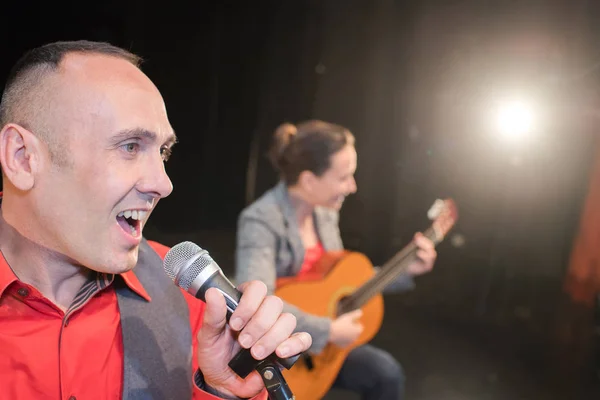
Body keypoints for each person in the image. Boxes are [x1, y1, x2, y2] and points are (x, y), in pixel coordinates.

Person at [0, 41, 311, 400]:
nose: (164, 184)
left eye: (163, 151)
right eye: (130, 146)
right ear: (23, 158)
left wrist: (222, 391)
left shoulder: (192, 303)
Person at [235, 120, 438, 399]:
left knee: (386, 374)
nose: (352, 187)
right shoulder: (260, 220)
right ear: (308, 180)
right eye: (344, 177)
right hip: (280, 354)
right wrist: (328, 330)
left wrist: (406, 271)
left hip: (326, 349)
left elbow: (342, 283)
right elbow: (257, 301)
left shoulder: (326, 212)